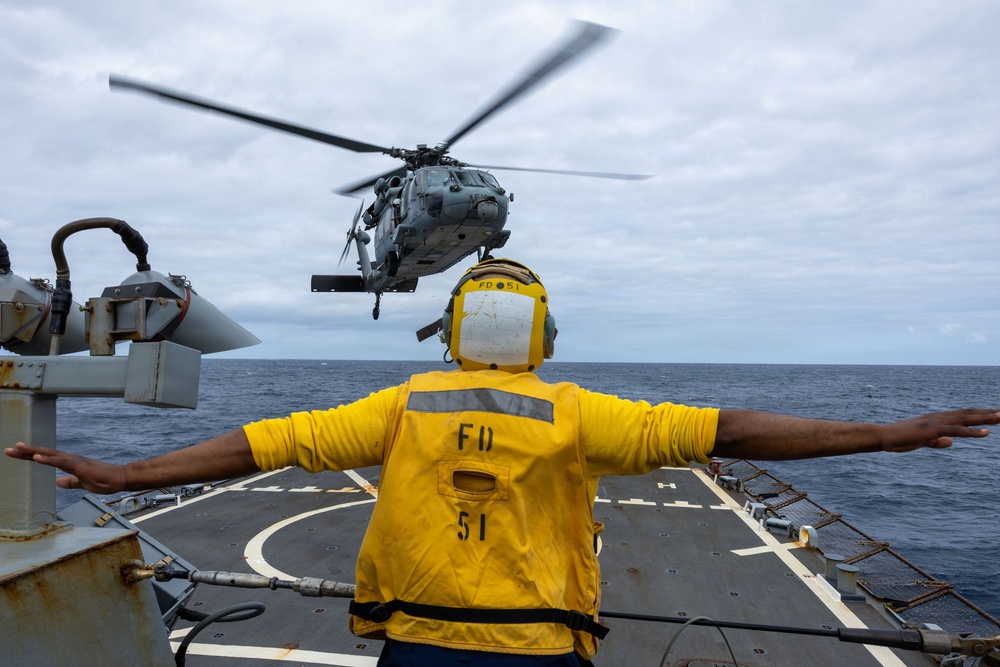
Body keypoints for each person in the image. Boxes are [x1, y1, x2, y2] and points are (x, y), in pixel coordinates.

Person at [5, 258, 998, 667]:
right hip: (536, 648)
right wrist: (886, 433)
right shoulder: (576, 414)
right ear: (539, 331)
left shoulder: (405, 405)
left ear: (456, 329)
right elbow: (725, 430)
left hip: (417, 645)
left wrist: (124, 477)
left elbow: (268, 442)